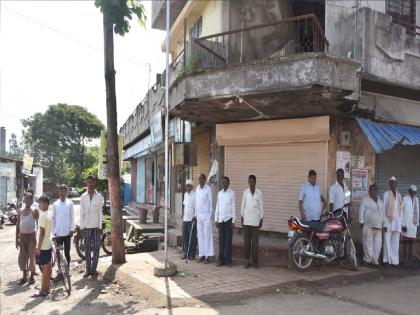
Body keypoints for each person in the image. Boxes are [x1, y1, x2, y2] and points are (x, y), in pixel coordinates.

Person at [80, 175, 104, 277]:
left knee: (97, 248)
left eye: (91, 182)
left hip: (96, 227)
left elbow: (100, 212)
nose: (90, 184)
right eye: (88, 182)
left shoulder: (99, 196)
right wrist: (81, 228)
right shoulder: (83, 197)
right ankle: (88, 269)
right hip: (86, 226)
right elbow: (81, 213)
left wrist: (100, 227)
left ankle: (94, 269)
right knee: (87, 249)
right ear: (86, 183)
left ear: (94, 183)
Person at [16, 192, 38, 285]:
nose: (28, 200)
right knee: (22, 256)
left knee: (32, 256)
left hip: (31, 236)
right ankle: (24, 275)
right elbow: (17, 225)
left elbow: (39, 224)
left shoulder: (34, 211)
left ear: (32, 201)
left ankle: (32, 276)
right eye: (26, 199)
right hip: (22, 236)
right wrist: (16, 238)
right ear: (24, 200)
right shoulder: (20, 211)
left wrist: (38, 237)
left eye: (30, 199)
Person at [241, 175, 264, 269]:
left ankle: (255, 262)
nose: (251, 183)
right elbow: (243, 205)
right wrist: (242, 217)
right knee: (246, 244)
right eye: (249, 181)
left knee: (255, 245)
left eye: (252, 182)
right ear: (248, 182)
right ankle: (247, 261)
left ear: (255, 182)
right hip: (246, 221)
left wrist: (261, 218)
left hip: (255, 222)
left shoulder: (259, 193)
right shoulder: (245, 192)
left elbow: (261, 206)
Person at [359, 184, 384, 266]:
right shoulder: (365, 200)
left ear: (377, 191)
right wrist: (361, 222)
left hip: (378, 226)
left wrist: (384, 224)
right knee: (367, 244)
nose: (373, 191)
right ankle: (367, 259)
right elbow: (361, 211)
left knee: (378, 245)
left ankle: (374, 260)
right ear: (369, 191)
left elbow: (382, 213)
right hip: (368, 225)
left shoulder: (380, 201)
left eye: (374, 190)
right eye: (371, 190)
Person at [52, 184, 75, 267]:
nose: (62, 193)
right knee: (58, 254)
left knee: (67, 253)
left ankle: (67, 270)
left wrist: (72, 229)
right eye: (60, 191)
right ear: (59, 192)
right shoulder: (55, 204)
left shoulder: (70, 203)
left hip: (67, 233)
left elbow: (72, 217)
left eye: (64, 191)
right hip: (58, 233)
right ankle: (60, 271)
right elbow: (53, 218)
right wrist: (53, 232)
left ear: (66, 192)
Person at [383, 176, 403, 267]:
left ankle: (395, 261)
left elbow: (401, 210)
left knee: (395, 242)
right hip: (388, 221)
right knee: (387, 240)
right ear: (389, 184)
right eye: (391, 183)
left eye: (394, 183)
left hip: (397, 222)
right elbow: (384, 209)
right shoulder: (386, 194)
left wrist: (401, 223)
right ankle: (386, 260)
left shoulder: (399, 195)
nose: (393, 184)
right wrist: (384, 223)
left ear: (396, 184)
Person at [34, 196, 52, 297]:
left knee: (45, 268)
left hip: (44, 245)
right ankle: (47, 288)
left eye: (40, 203)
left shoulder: (43, 216)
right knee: (48, 268)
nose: (39, 205)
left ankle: (43, 290)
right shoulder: (49, 213)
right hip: (48, 244)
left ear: (45, 204)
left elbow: (42, 233)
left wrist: (38, 247)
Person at [215, 176, 235, 267]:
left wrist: (233, 221)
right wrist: (216, 219)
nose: (224, 184)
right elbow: (217, 207)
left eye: (226, 182)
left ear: (228, 183)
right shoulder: (219, 193)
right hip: (221, 220)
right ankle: (221, 260)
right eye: (223, 182)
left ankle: (228, 260)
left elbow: (233, 207)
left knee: (228, 241)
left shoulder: (232, 193)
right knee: (221, 241)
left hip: (228, 220)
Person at [195, 174, 214, 264]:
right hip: (199, 215)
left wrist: (210, 215)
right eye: (199, 179)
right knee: (200, 236)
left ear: (205, 180)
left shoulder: (208, 188)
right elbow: (196, 202)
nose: (200, 180)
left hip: (206, 215)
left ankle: (208, 256)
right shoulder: (197, 188)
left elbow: (211, 202)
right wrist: (195, 215)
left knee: (207, 236)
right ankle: (201, 255)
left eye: (202, 179)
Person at [401, 185, 419, 265]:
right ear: (409, 191)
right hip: (406, 224)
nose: (413, 193)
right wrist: (402, 224)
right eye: (411, 192)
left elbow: (418, 212)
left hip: (413, 225)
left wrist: (417, 224)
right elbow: (401, 211)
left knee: (411, 244)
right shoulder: (404, 198)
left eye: (414, 192)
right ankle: (404, 259)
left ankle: (409, 260)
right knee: (405, 243)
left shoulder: (416, 199)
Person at [181, 179, 197, 260]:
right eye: (186, 186)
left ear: (191, 186)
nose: (187, 187)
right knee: (186, 237)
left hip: (191, 219)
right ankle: (186, 253)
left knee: (192, 237)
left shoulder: (195, 195)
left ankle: (192, 254)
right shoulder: (185, 195)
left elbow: (196, 207)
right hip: (185, 218)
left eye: (189, 186)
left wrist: (195, 216)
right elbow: (184, 206)